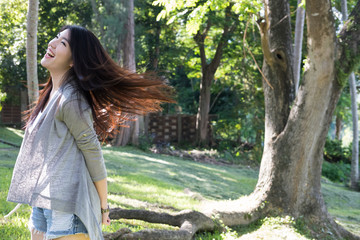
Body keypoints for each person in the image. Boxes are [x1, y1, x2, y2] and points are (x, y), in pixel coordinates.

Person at [7, 25, 173, 240]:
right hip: (44, 200)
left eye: (63, 43)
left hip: (66, 205)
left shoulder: (71, 99)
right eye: (56, 37)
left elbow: (92, 152)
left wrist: (103, 206)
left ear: (73, 61)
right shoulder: (52, 95)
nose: (52, 43)